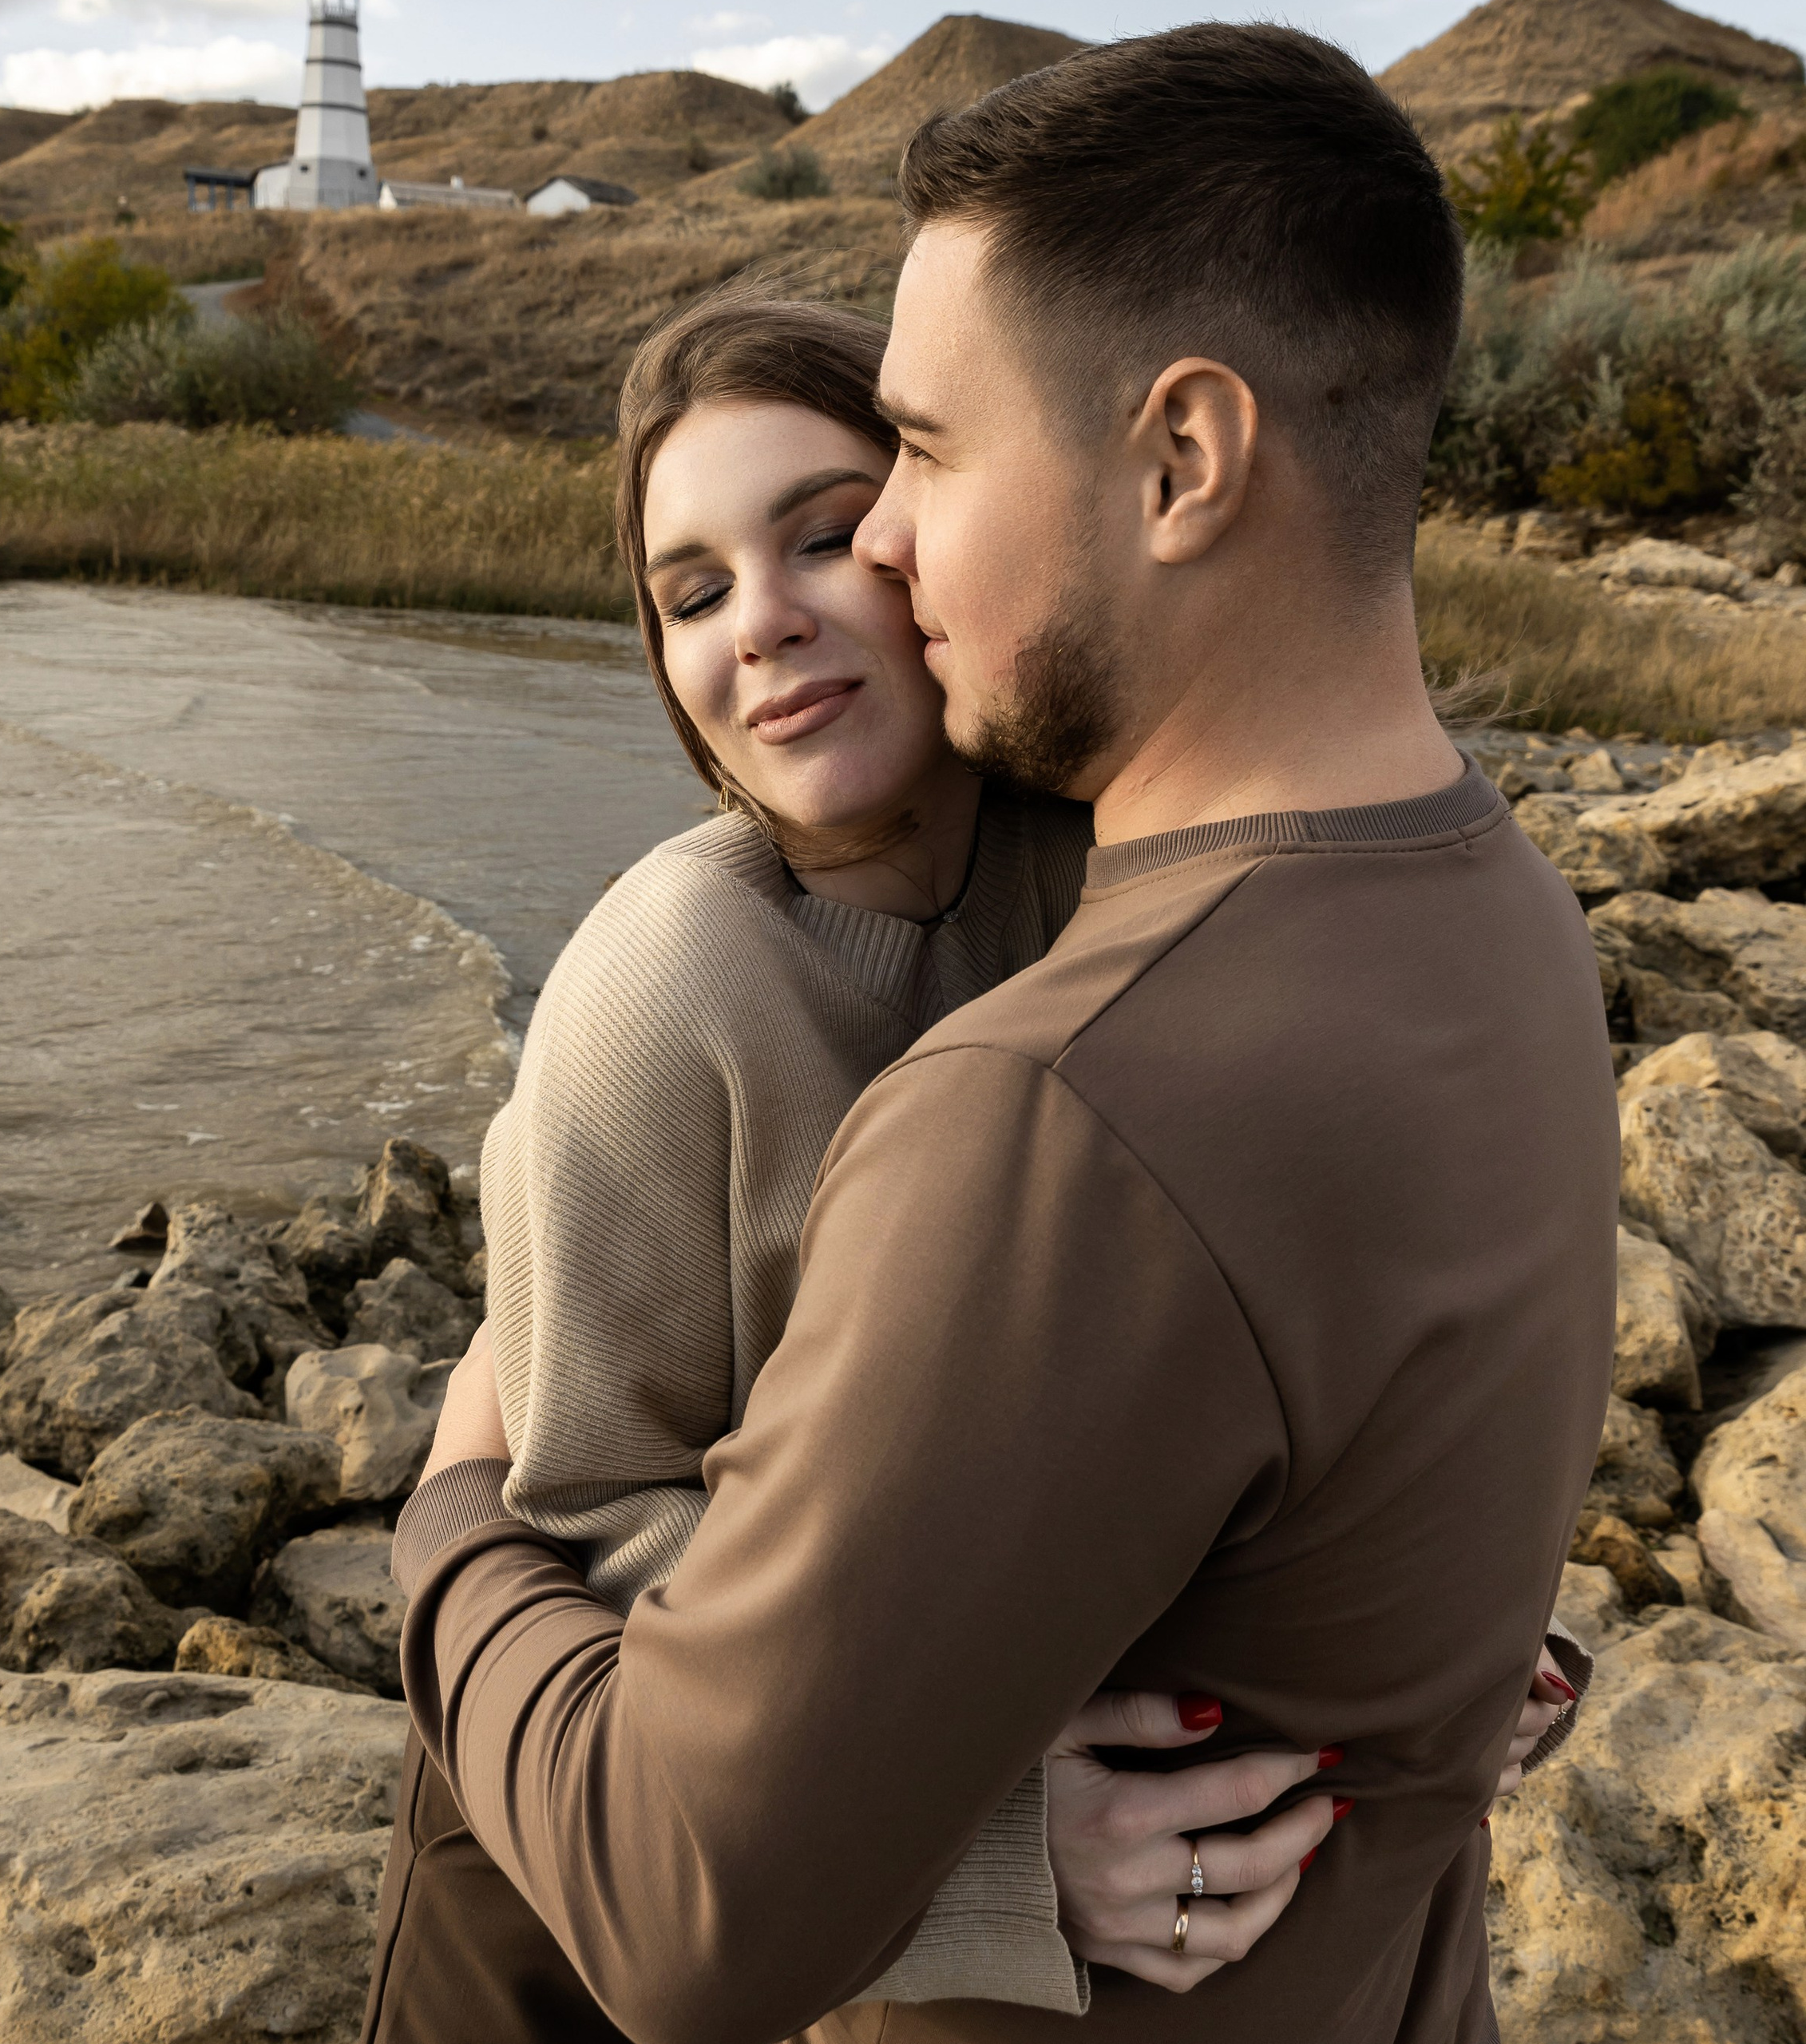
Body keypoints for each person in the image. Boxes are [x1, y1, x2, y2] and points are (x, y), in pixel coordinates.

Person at [388, 26, 1616, 2040]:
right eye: (686, 588)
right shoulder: (1480, 902)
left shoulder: (1073, 1049)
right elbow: (600, 1554)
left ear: (1180, 459)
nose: (850, 569)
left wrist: (1448, 1626)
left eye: (909, 466)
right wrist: (459, 1510)